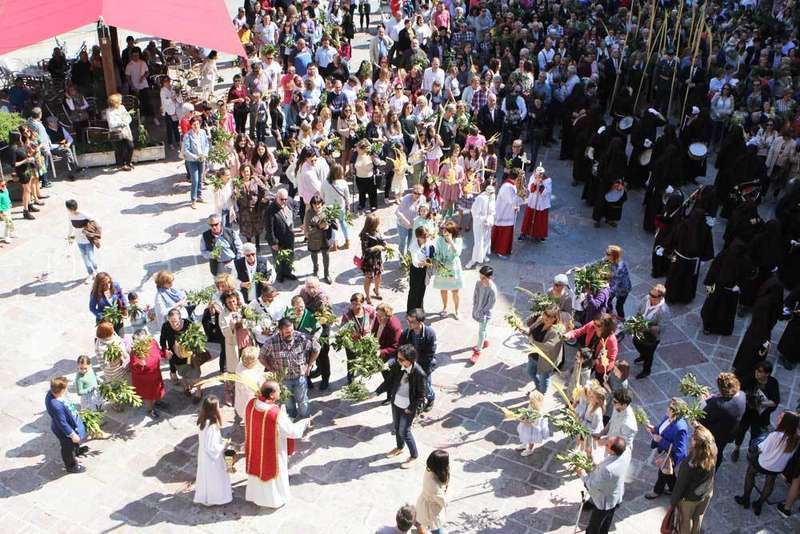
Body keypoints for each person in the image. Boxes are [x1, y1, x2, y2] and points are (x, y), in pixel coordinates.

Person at [244, 381, 309, 508]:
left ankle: (255, 495)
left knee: (258, 468)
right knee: (272, 471)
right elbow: (292, 431)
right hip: (273, 450)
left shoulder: (251, 404)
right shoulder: (275, 414)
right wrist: (304, 423)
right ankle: (273, 500)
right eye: (278, 390)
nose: (280, 391)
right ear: (272, 395)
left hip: (256, 446)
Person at [735, 411, 800, 516]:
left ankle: (745, 499)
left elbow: (760, 449)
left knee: (750, 473)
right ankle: (759, 504)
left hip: (764, 464)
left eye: (781, 417)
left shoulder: (775, 436)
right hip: (778, 467)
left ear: (786, 422)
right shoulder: (796, 438)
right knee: (770, 481)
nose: (778, 418)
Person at [259, 318, 320, 419]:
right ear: (280, 331)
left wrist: (310, 364)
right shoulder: (271, 342)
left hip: (300, 377)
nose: (291, 333)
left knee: (303, 401)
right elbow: (261, 357)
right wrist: (270, 368)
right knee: (288, 404)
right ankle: (291, 420)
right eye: (287, 332)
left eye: (292, 330)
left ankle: (305, 420)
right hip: (284, 380)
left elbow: (317, 349)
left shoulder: (301, 338)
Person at [669, 425, 717, 534]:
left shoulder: (689, 463)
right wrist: (698, 426)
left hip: (690, 498)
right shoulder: (713, 451)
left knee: (686, 520)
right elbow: (710, 439)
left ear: (695, 443)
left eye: (693, 437)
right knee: (698, 517)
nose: (691, 438)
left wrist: (673, 502)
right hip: (706, 492)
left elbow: (680, 485)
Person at [730, 361, 781, 463]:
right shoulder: (751, 378)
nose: (757, 373)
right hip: (747, 412)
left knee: (755, 435)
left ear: (767, 374)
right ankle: (736, 448)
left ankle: (750, 451)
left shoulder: (772, 383)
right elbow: (739, 388)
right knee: (740, 431)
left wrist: (760, 403)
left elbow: (775, 401)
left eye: (760, 372)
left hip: (760, 416)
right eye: (757, 370)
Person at [386, 344, 426, 469]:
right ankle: (399, 447)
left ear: (410, 360)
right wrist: (376, 392)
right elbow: (389, 381)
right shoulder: (399, 366)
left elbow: (421, 396)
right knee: (397, 427)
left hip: (407, 408)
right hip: (396, 403)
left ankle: (414, 455)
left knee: (405, 431)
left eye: (401, 359)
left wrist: (410, 408)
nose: (398, 361)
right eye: (398, 358)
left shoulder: (419, 374)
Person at [580, 436, 631, 534]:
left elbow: (592, 485)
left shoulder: (608, 470)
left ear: (612, 451)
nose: (605, 445)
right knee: (606, 522)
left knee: (594, 527)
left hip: (605, 501)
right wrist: (591, 458)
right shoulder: (626, 452)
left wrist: (581, 473)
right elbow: (602, 469)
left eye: (607, 445)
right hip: (615, 495)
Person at [698, 372, 746, 469]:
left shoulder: (717, 404)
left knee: (710, 452)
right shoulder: (742, 395)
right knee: (719, 451)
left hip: (714, 434)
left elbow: (701, 418)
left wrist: (703, 402)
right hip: (728, 433)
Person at [645, 398, 690, 499]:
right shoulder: (667, 417)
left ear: (676, 412)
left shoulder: (680, 428)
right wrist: (653, 429)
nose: (667, 409)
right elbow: (661, 428)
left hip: (672, 455)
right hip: (665, 451)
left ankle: (657, 491)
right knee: (668, 472)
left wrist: (661, 440)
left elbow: (679, 449)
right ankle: (673, 489)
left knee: (662, 472)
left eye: (670, 408)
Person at [194, 396, 232, 506]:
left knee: (207, 478)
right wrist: (224, 444)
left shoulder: (202, 421)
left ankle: (209, 496)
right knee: (215, 478)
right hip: (212, 459)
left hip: (204, 456)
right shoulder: (211, 426)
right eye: (218, 406)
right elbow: (211, 447)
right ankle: (215, 498)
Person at [45, 376, 87, 473]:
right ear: (61, 390)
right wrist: (72, 435)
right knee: (68, 448)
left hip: (71, 422)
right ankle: (71, 466)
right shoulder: (56, 406)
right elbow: (62, 423)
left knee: (73, 444)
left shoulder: (53, 392)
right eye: (65, 388)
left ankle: (76, 452)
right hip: (64, 432)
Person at [400, 309, 438, 412]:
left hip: (424, 365)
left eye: (412, 321)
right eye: (408, 320)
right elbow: (401, 347)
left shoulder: (430, 334)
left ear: (420, 322)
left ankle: (431, 398)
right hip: (410, 364)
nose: (409, 323)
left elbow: (430, 354)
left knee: (425, 386)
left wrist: (416, 365)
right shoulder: (407, 333)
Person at [632, 284, 670, 379]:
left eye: (653, 296)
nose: (650, 296)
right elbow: (639, 310)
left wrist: (647, 327)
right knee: (636, 341)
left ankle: (646, 371)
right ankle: (643, 355)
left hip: (652, 336)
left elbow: (661, 328)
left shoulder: (664, 311)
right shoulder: (646, 299)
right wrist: (636, 320)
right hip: (641, 329)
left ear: (660, 297)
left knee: (649, 353)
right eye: (650, 294)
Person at [564, 313, 618, 379]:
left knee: (597, 379)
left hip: (601, 365)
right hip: (588, 356)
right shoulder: (592, 325)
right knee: (580, 371)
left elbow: (611, 358)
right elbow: (580, 331)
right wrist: (570, 334)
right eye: (594, 323)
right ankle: (573, 375)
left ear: (605, 327)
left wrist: (597, 362)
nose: (594, 326)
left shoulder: (611, 340)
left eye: (598, 325)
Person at [525, 306, 564, 394]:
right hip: (533, 355)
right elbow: (531, 329)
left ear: (555, 318)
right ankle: (538, 387)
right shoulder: (541, 320)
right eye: (545, 314)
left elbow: (548, 346)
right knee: (530, 372)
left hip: (546, 360)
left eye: (549, 317)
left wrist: (533, 342)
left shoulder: (556, 331)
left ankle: (541, 394)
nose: (546, 317)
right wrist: (525, 330)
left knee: (544, 378)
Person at [340, 292, 376, 384]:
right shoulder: (347, 314)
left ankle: (363, 369)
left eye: (358, 304)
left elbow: (373, 315)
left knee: (364, 355)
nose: (355, 306)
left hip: (364, 340)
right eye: (353, 304)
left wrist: (370, 327)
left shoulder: (368, 310)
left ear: (363, 303)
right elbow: (342, 328)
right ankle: (350, 377)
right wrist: (351, 333)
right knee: (351, 360)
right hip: (352, 341)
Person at [130, 329, 165, 419]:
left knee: (157, 390)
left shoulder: (152, 342)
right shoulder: (135, 351)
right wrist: (139, 364)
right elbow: (133, 367)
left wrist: (164, 354)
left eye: (145, 340)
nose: (144, 343)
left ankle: (158, 402)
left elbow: (159, 352)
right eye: (140, 342)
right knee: (148, 396)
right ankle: (150, 410)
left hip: (155, 373)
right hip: (144, 379)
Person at [265, 188, 297, 283]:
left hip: (289, 237)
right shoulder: (270, 210)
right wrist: (273, 242)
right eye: (281, 199)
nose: (284, 201)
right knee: (279, 259)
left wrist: (293, 217)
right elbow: (269, 228)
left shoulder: (289, 202)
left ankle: (288, 273)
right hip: (278, 240)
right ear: (276, 197)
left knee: (289, 257)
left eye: (285, 199)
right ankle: (280, 275)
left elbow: (296, 205)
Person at [66, 199, 100, 284]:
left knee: (90, 257)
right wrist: (69, 238)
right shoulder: (70, 216)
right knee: (85, 258)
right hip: (79, 240)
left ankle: (97, 271)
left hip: (87, 240)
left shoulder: (83, 214)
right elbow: (70, 227)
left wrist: (93, 231)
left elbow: (95, 221)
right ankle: (90, 274)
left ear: (70, 208)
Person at [415, 449, 449, 534]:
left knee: (419, 523)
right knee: (437, 530)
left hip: (423, 504)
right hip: (431, 511)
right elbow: (444, 502)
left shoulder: (429, 469)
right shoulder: (433, 485)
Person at [491, 169, 522, 258]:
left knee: (504, 232)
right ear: (517, 178)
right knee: (504, 234)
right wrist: (522, 198)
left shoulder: (511, 185)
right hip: (504, 214)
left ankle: (498, 248)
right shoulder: (507, 187)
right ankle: (500, 251)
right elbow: (512, 201)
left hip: (507, 212)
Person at [359, 213, 388, 304]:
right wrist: (376, 248)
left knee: (378, 276)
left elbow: (381, 239)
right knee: (368, 279)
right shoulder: (365, 235)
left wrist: (384, 243)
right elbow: (365, 251)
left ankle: (376, 290)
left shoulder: (376, 231)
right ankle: (367, 296)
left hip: (377, 259)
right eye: (377, 223)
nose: (378, 224)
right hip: (369, 261)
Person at [470, 266, 497, 363]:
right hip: (478, 309)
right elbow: (475, 294)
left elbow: (490, 305)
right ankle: (484, 342)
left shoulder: (492, 289)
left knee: (481, 331)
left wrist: (481, 312)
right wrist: (475, 305)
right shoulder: (478, 283)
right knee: (483, 329)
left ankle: (478, 351)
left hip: (485, 313)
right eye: (480, 277)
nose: (481, 279)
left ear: (490, 277)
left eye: (483, 278)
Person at [182, 117, 210, 208]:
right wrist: (196, 157)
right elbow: (186, 150)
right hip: (192, 161)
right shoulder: (187, 135)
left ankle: (199, 196)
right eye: (194, 124)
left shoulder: (203, 132)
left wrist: (205, 154)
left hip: (202, 159)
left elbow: (206, 144)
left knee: (201, 179)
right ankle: (193, 200)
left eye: (197, 124)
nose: (196, 126)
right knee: (195, 180)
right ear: (191, 125)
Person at [303, 195, 332, 283]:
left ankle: (326, 274)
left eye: (319, 203)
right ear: (312, 205)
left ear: (322, 203)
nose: (317, 206)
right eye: (315, 204)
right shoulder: (309, 214)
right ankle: (315, 271)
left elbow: (332, 222)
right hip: (314, 239)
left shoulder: (326, 211)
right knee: (314, 255)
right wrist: (319, 227)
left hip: (324, 238)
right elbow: (308, 230)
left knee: (326, 256)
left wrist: (328, 226)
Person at [466, 185, 495, 268]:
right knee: (478, 242)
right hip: (479, 225)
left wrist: (489, 220)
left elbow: (492, 211)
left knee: (486, 240)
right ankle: (473, 260)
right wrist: (483, 220)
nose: (492, 194)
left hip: (487, 224)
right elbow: (474, 212)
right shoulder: (480, 199)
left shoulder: (492, 198)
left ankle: (483, 255)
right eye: (491, 193)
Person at [515, 390, 552, 456]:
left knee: (531, 440)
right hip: (527, 423)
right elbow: (527, 411)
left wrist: (523, 421)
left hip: (532, 427)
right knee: (524, 435)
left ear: (535, 401)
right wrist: (523, 416)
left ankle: (530, 450)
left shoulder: (538, 413)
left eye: (531, 400)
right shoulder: (531, 405)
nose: (530, 401)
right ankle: (524, 445)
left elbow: (534, 424)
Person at [407, 226, 434, 313]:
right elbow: (415, 262)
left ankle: (419, 310)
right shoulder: (413, 246)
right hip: (416, 270)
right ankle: (411, 311)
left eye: (426, 237)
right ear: (418, 237)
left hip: (424, 269)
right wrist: (424, 263)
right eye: (423, 237)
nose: (426, 239)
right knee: (414, 291)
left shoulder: (427, 242)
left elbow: (431, 252)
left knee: (422, 290)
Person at [520, 166, 551, 241]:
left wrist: (541, 185)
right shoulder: (532, 178)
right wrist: (535, 183)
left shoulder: (548, 180)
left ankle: (539, 234)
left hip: (542, 203)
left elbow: (547, 192)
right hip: (533, 202)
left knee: (540, 220)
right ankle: (524, 232)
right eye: (538, 174)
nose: (539, 175)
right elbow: (530, 189)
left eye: (541, 174)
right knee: (529, 217)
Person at [45, 116, 82, 180]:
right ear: (49, 123)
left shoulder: (61, 128)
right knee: (67, 151)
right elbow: (49, 145)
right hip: (54, 149)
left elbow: (69, 138)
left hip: (64, 147)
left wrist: (68, 144)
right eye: (54, 122)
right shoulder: (46, 131)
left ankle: (71, 173)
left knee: (66, 152)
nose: (56, 123)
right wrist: (59, 146)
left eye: (56, 122)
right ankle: (74, 167)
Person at [235, 347, 266, 423]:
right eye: (256, 359)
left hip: (249, 396)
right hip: (249, 398)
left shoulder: (242, 364)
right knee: (250, 416)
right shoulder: (244, 374)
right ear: (251, 361)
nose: (258, 360)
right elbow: (251, 391)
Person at [105, 93, 134, 171]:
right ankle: (123, 164)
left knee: (130, 146)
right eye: (120, 100)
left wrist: (126, 122)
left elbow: (128, 117)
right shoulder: (109, 111)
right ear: (115, 102)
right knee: (120, 149)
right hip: (116, 132)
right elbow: (111, 124)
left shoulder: (122, 107)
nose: (121, 102)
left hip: (126, 131)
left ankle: (128, 162)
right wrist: (121, 123)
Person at [395, 185, 425, 255]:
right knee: (403, 241)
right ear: (412, 192)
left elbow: (424, 211)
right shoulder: (407, 198)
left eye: (419, 194)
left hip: (414, 225)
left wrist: (420, 212)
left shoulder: (423, 199)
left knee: (411, 243)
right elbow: (397, 212)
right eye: (415, 193)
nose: (417, 195)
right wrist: (406, 222)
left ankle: (409, 257)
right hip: (402, 224)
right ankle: (401, 257)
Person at [605, 246, 631, 321]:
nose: (606, 255)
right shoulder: (608, 259)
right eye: (606, 253)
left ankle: (622, 320)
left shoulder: (620, 268)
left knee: (619, 306)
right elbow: (599, 263)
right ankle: (609, 314)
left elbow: (618, 284)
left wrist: (607, 291)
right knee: (607, 300)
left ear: (614, 256)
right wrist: (585, 268)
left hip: (622, 290)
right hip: (613, 285)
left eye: (608, 254)